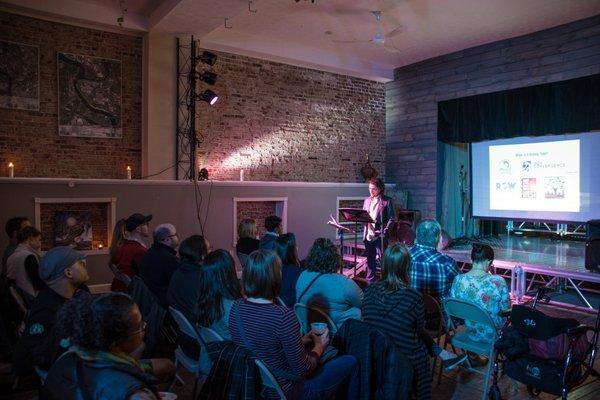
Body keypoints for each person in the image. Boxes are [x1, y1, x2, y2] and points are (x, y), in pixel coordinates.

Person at [229, 250, 359, 400]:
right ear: (275, 278)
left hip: (254, 386)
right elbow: (304, 369)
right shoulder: (283, 316)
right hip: (289, 392)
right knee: (351, 361)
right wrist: (320, 346)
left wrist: (301, 340)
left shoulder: (236, 307)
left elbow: (264, 345)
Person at [43, 292, 174, 399]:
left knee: (166, 366)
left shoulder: (67, 357)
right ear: (115, 343)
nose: (144, 328)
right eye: (139, 326)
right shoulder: (134, 394)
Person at [12, 246, 89, 375]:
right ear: (68, 273)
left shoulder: (78, 294)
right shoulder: (46, 311)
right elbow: (31, 359)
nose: (85, 266)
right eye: (81, 264)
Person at [295, 238, 362, 328]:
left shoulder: (302, 275)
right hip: (336, 334)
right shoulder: (345, 283)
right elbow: (362, 303)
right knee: (357, 312)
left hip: (309, 328)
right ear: (335, 258)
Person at [449, 243, 510, 342]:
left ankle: (472, 356)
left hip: (469, 331)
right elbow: (505, 309)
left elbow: (455, 308)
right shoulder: (498, 281)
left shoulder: (458, 280)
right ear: (489, 262)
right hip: (494, 334)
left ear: (471, 260)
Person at [167, 235, 209, 359]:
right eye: (209, 250)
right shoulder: (200, 278)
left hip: (183, 338)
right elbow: (205, 316)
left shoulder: (178, 272)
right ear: (202, 256)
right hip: (200, 345)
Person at [409, 219, 460, 301]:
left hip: (411, 308)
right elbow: (460, 284)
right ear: (438, 238)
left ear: (417, 236)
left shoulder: (403, 256)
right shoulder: (446, 263)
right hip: (438, 311)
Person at [197, 249, 243, 340]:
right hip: (233, 349)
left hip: (214, 348)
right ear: (229, 273)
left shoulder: (204, 297)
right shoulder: (232, 308)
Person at [139, 223, 180, 307]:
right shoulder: (169, 260)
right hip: (165, 306)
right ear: (167, 240)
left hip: (151, 304)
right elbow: (179, 289)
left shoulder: (148, 254)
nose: (178, 236)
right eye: (175, 234)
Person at [362, 178, 395, 282]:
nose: (371, 191)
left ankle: (386, 282)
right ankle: (370, 283)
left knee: (383, 260)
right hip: (368, 234)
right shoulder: (367, 201)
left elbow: (392, 218)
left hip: (380, 235)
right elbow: (363, 216)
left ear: (380, 189)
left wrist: (384, 231)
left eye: (374, 189)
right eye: (369, 188)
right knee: (370, 260)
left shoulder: (386, 201)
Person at [111, 213, 152, 292]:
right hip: (130, 291)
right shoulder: (139, 250)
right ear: (138, 229)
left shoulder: (123, 246)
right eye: (146, 224)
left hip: (119, 288)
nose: (148, 227)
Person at [6, 226, 44, 299]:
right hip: (29, 298)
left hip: (17, 300)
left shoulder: (11, 256)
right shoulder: (29, 256)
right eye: (39, 240)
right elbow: (38, 284)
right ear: (31, 238)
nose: (39, 244)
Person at [275, 233, 303, 308]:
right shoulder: (297, 273)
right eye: (295, 245)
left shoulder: (272, 270)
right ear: (292, 250)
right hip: (292, 312)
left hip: (277, 309)